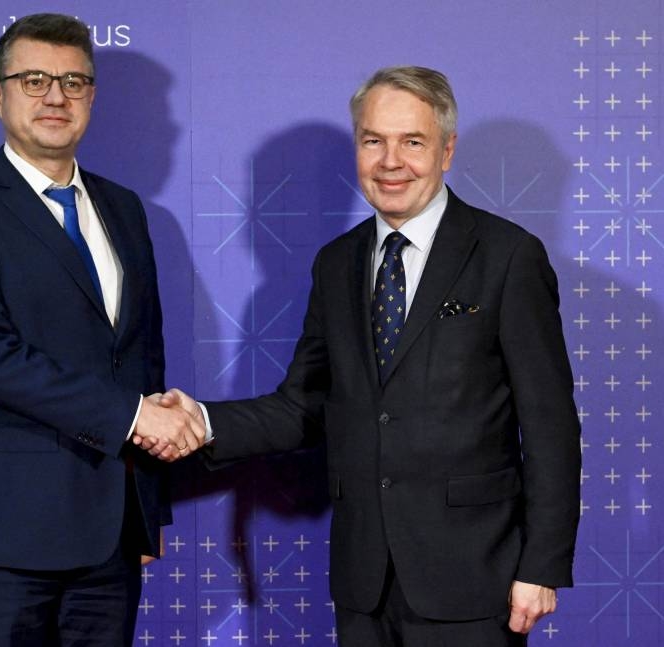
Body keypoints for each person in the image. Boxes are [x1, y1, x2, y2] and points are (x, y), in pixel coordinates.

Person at [145, 66, 581, 646]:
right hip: (362, 581)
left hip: (476, 579)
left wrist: (541, 566)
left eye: (413, 142)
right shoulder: (337, 263)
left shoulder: (507, 257)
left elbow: (549, 426)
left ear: (447, 151)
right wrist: (200, 422)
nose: (390, 161)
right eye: (373, 141)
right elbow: (304, 406)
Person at [0, 13, 204, 646]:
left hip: (107, 542)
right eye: (34, 79)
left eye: (73, 81)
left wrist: (144, 514)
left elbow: (143, 360)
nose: (55, 97)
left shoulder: (124, 210)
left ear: (92, 97)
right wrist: (134, 417)